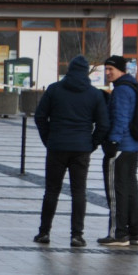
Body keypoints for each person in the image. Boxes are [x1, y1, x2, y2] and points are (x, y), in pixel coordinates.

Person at [32, 56, 109, 247]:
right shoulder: (94, 94)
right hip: (81, 148)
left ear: (69, 69)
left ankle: (44, 232)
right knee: (79, 191)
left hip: (57, 146)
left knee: (51, 190)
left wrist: (48, 139)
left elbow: (40, 116)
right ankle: (77, 235)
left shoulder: (54, 89)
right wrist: (92, 144)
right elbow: (103, 124)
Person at [98, 56, 138, 246]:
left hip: (121, 147)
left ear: (121, 70)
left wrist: (113, 142)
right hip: (133, 147)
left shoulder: (122, 89)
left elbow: (121, 118)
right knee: (131, 189)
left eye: (110, 70)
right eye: (106, 69)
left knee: (116, 191)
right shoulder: (132, 86)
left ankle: (118, 233)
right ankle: (135, 232)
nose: (107, 73)